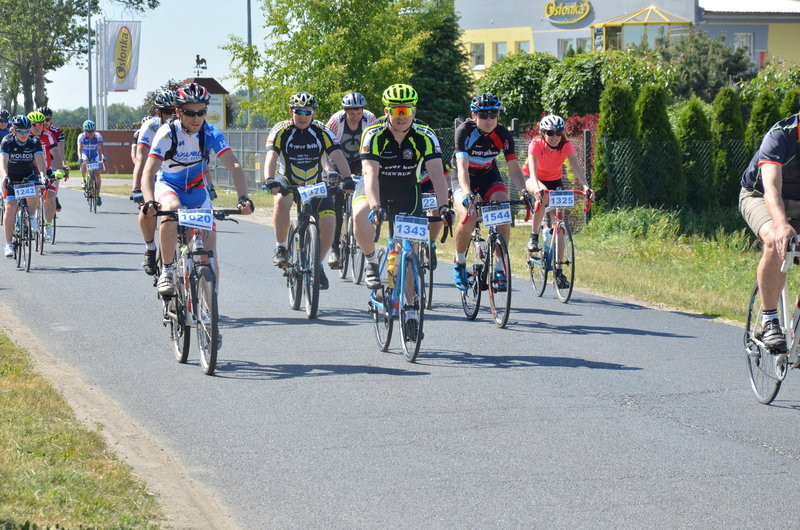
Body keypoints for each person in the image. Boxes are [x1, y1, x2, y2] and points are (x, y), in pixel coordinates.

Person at [141, 82, 253, 296]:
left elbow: (234, 165)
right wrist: (149, 201)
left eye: (201, 112)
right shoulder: (166, 134)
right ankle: (167, 270)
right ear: (178, 112)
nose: (196, 118)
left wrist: (243, 197)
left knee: (209, 252)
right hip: (169, 185)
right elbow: (148, 172)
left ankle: (211, 308)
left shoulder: (210, 132)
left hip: (196, 190)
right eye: (189, 113)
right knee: (171, 210)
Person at [352, 83, 452, 297]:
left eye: (407, 111)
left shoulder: (425, 135)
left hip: (407, 189)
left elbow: (437, 174)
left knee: (408, 254)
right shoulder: (373, 134)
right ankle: (370, 261)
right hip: (375, 185)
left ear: (414, 111)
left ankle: (410, 310)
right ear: (386, 112)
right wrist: (376, 206)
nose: (401, 116)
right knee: (360, 214)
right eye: (396, 111)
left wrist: (443, 206)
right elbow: (370, 173)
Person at [263, 91, 352, 291]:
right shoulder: (281, 130)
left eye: (307, 111)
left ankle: (317, 264)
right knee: (281, 201)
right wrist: (269, 179)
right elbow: (271, 156)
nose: (303, 116)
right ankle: (281, 247)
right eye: (299, 111)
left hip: (314, 182)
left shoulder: (322, 131)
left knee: (329, 220)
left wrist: (347, 178)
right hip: (288, 179)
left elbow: (338, 155)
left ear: (313, 113)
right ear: (291, 112)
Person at [451, 93, 526, 291]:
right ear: (473, 115)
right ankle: (459, 262)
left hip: (488, 176)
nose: (489, 120)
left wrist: (524, 191)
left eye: (493, 115)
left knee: (502, 210)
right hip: (463, 177)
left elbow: (514, 169)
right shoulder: (464, 132)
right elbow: (462, 167)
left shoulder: (502, 133)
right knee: (469, 214)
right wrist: (467, 194)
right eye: (483, 115)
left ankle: (500, 266)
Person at [739, 110, 800, 352]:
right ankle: (769, 320)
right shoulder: (781, 135)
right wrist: (782, 223)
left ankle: (796, 327)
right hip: (759, 195)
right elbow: (771, 188)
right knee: (777, 240)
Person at [524, 114, 594, 289]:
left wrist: (586, 187)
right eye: (550, 132)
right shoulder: (536, 144)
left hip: (555, 180)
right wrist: (538, 188)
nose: (555, 136)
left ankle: (559, 272)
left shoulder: (566, 144)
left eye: (558, 132)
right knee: (543, 196)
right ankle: (533, 237)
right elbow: (532, 170)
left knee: (560, 226)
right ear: (543, 133)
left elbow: (576, 167)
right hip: (533, 177)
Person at [324, 92, 377, 269]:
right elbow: (323, 148)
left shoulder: (370, 119)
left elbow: (377, 144)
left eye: (358, 113)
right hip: (337, 160)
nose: (355, 117)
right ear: (344, 111)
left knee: (367, 193)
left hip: (360, 161)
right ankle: (335, 249)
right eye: (351, 113)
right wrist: (329, 170)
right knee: (336, 203)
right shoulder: (335, 121)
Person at [132, 91, 178, 275]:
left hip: (173, 173)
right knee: (147, 209)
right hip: (152, 172)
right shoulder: (150, 127)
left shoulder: (182, 126)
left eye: (175, 110)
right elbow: (141, 159)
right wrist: (137, 188)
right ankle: (150, 248)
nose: (172, 115)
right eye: (167, 111)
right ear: (158, 113)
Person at [1, 115, 48, 257]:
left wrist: (42, 175)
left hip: (28, 174)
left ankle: (32, 217)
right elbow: (3, 161)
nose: (24, 134)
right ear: (14, 130)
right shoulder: (7, 141)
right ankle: (9, 245)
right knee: (10, 207)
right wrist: (4, 176)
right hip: (11, 176)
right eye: (21, 131)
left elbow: (40, 160)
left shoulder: (34, 142)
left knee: (34, 190)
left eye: (27, 131)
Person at [28, 111, 64, 240]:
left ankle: (47, 225)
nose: (37, 127)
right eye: (34, 124)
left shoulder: (48, 135)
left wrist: (60, 169)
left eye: (40, 124)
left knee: (51, 198)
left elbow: (55, 152)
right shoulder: (25, 136)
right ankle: (29, 220)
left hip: (46, 170)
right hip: (29, 172)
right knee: (32, 197)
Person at [38, 106, 68, 212]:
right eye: (42, 120)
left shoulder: (57, 131)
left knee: (56, 173)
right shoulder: (33, 130)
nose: (45, 122)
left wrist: (63, 165)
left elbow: (59, 152)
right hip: (39, 155)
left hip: (52, 155)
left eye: (47, 120)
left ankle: (55, 195)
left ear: (51, 120)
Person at [77, 119, 106, 206]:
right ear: (85, 131)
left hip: (94, 155)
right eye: (88, 131)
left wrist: (103, 157)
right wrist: (79, 158)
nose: (90, 133)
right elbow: (79, 149)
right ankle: (83, 180)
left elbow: (101, 148)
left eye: (92, 131)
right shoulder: (81, 136)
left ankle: (97, 195)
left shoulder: (98, 136)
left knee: (97, 174)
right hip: (85, 154)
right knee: (84, 162)